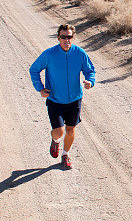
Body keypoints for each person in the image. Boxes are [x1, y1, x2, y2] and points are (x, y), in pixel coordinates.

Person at [29, 24, 96, 169]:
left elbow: (90, 71)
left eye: (69, 37)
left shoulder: (80, 53)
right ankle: (55, 140)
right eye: (63, 37)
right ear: (58, 37)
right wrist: (40, 88)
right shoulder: (49, 54)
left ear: (73, 37)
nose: (66, 40)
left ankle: (65, 155)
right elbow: (34, 70)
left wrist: (90, 81)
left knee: (71, 129)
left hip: (75, 99)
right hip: (55, 100)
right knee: (59, 131)